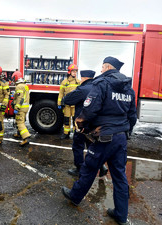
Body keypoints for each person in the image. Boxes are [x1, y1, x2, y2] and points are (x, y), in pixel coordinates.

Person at [62, 57, 137, 225]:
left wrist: (83, 126)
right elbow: (132, 116)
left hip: (104, 137)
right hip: (120, 138)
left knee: (89, 168)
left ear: (107, 67)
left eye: (103, 67)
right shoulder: (128, 88)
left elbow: (89, 110)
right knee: (119, 175)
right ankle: (121, 214)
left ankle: (75, 196)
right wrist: (127, 132)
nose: (101, 70)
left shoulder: (102, 83)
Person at [63, 70, 108, 177]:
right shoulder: (99, 88)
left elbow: (67, 100)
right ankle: (101, 166)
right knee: (92, 145)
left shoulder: (82, 89)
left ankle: (79, 168)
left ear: (84, 78)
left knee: (78, 145)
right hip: (95, 125)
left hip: (82, 124)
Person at [57, 64, 81, 139]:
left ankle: (75, 134)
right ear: (69, 72)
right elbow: (61, 93)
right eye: (73, 71)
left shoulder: (79, 82)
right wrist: (59, 103)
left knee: (75, 120)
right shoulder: (64, 82)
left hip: (75, 105)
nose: (74, 73)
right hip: (67, 105)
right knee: (66, 120)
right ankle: (66, 133)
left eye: (76, 71)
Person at [11, 71, 31, 147]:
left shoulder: (19, 86)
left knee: (20, 122)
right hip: (25, 107)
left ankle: (25, 138)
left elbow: (20, 98)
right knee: (21, 120)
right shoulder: (25, 85)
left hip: (21, 107)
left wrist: (16, 107)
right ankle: (19, 134)